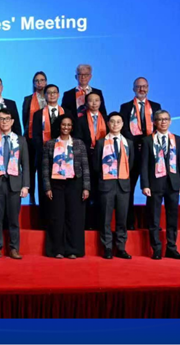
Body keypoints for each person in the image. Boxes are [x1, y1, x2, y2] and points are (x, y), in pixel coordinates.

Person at [139, 110, 180, 260]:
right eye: (159, 119)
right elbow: (144, 165)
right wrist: (145, 185)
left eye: (166, 119)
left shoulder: (177, 139)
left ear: (170, 121)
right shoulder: (148, 140)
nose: (163, 122)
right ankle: (157, 249)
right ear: (154, 122)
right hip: (154, 183)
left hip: (173, 183)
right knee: (154, 218)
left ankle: (172, 248)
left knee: (172, 218)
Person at [0, 109, 30, 259]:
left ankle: (14, 248)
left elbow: (25, 165)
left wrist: (26, 186)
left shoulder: (20, 140)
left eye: (7, 118)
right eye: (1, 119)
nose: (4, 122)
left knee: (13, 219)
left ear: (12, 121)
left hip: (14, 184)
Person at [41, 115, 90, 259]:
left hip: (75, 183)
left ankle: (73, 250)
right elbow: (45, 168)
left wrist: (86, 187)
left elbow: (85, 167)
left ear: (72, 127)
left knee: (74, 217)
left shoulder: (79, 144)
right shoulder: (50, 144)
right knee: (57, 217)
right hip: (56, 184)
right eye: (63, 124)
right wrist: (47, 187)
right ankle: (57, 250)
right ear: (59, 126)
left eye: (69, 125)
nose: (66, 127)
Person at [120, 77, 162, 230]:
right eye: (138, 87)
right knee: (129, 188)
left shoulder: (156, 106)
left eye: (144, 86)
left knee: (152, 188)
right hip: (132, 152)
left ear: (148, 88)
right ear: (133, 89)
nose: (141, 89)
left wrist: (147, 143)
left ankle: (151, 224)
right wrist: (134, 144)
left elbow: (159, 127)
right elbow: (123, 129)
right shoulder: (125, 107)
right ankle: (129, 223)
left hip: (150, 152)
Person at [94, 112, 135, 260]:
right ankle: (107, 248)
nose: (115, 124)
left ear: (123, 124)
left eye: (118, 122)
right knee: (105, 218)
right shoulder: (101, 143)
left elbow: (131, 164)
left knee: (122, 219)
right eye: (112, 121)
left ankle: (121, 248)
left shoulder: (129, 143)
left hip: (123, 185)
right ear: (108, 124)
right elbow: (96, 165)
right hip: (106, 184)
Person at [31, 85, 74, 211]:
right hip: (45, 156)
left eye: (54, 92)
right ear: (44, 95)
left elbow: (72, 133)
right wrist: (46, 151)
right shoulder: (38, 114)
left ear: (58, 95)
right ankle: (44, 218)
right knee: (44, 189)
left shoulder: (67, 113)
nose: (52, 95)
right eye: (49, 93)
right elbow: (36, 136)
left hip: (64, 157)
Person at [76, 91, 108, 229]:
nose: (94, 103)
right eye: (91, 100)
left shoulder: (107, 119)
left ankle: (99, 222)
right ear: (86, 103)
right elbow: (78, 139)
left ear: (100, 102)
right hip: (87, 157)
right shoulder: (80, 120)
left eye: (97, 100)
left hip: (104, 158)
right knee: (88, 189)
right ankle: (87, 222)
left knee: (101, 190)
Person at [22, 71, 47, 205]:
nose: (39, 83)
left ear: (46, 82)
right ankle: (31, 197)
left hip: (47, 140)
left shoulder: (50, 97)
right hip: (31, 139)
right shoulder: (28, 99)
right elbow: (25, 119)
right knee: (31, 168)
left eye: (42, 80)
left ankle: (45, 196)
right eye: (36, 80)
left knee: (45, 169)